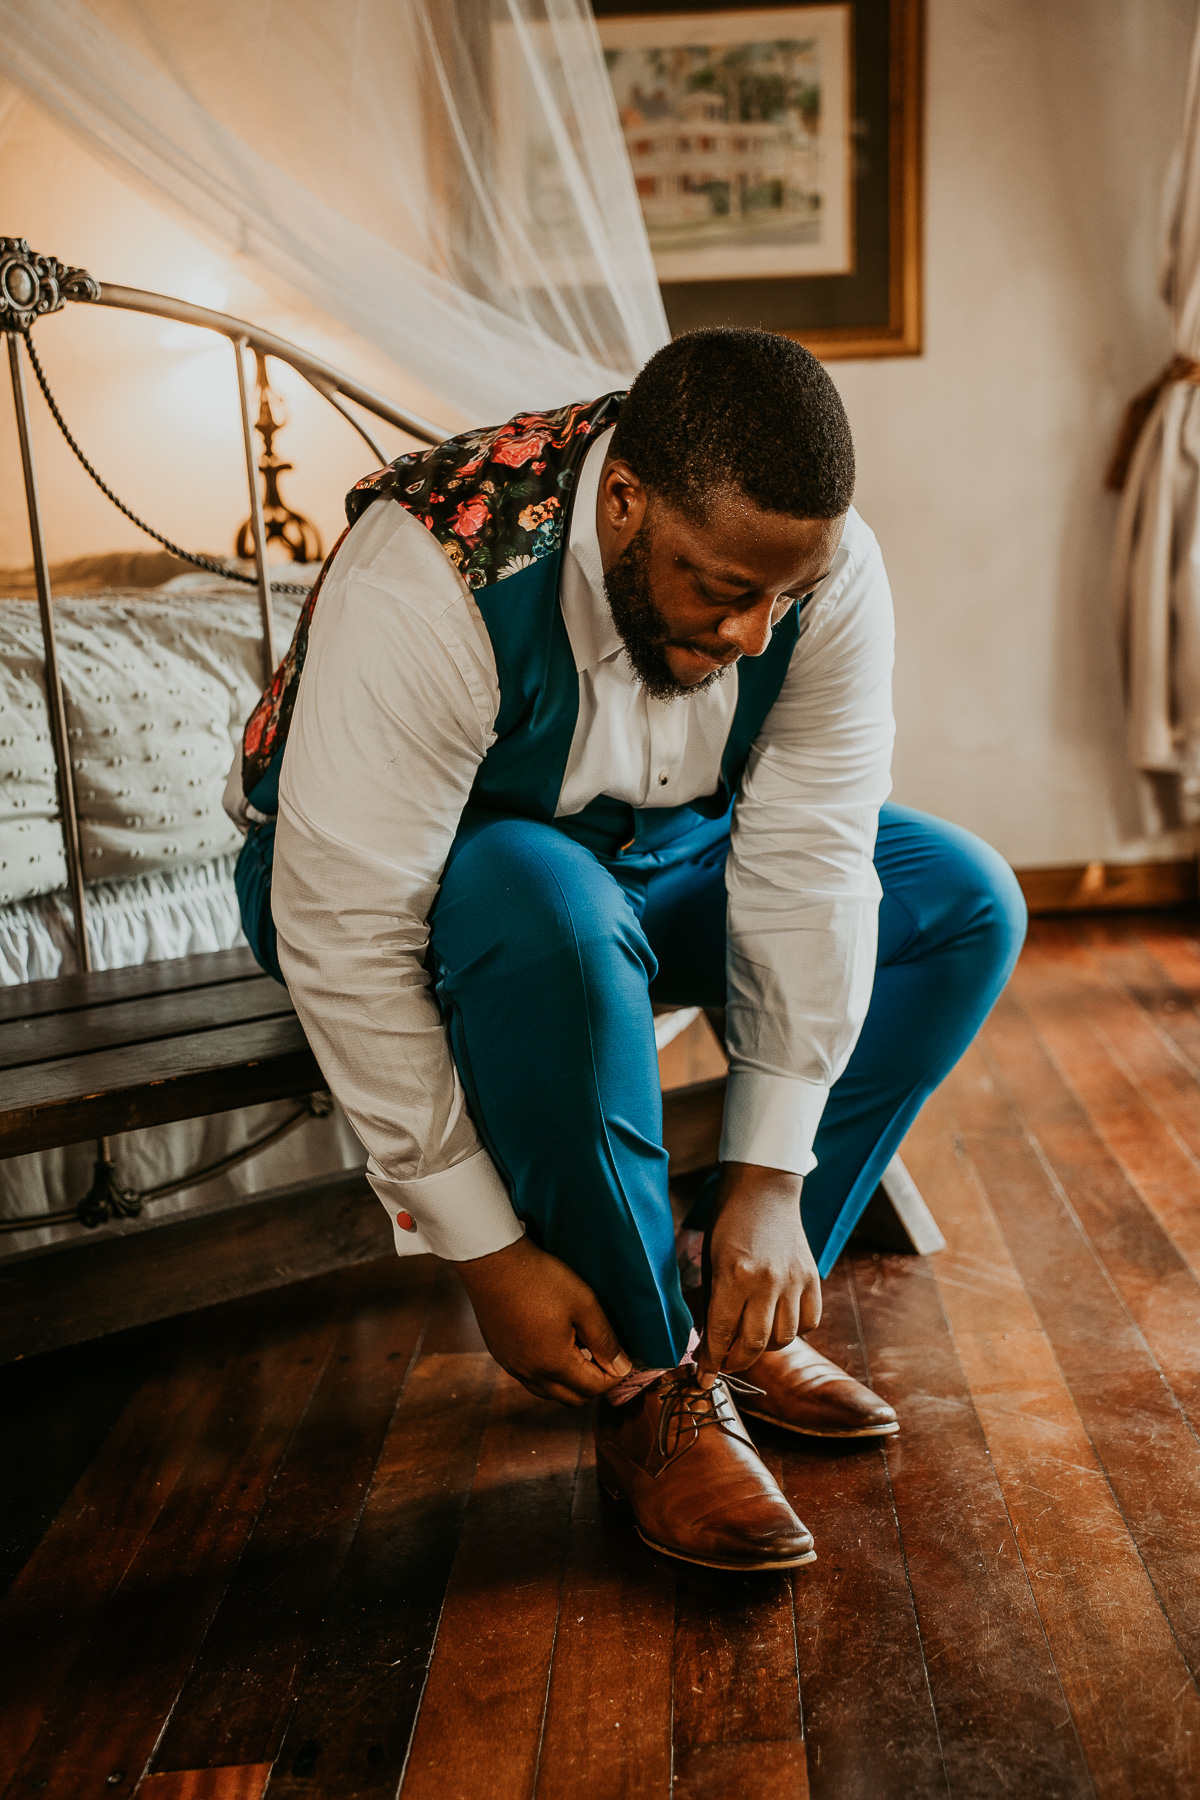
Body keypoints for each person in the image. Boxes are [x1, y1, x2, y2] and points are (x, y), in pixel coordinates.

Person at [226, 329, 1026, 1573]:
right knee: (548, 902)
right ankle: (655, 1389)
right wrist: (484, 1254)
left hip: (659, 850)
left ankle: (737, 1306)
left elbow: (813, 856)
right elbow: (345, 929)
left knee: (963, 898)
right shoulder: (433, 573)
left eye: (785, 597)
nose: (758, 635)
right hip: (432, 880)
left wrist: (767, 1175)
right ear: (623, 501)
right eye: (722, 589)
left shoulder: (819, 571)